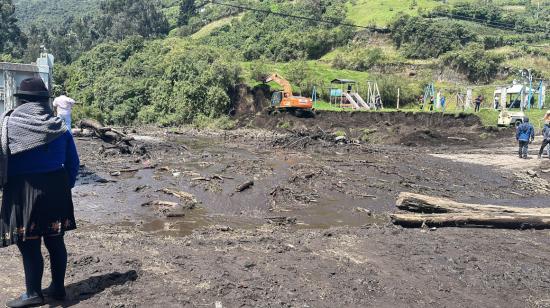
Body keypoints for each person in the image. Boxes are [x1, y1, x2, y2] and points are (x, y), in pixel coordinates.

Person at [0, 78, 80, 307]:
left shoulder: (9, 125)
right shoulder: (59, 127)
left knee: (29, 243)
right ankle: (58, 289)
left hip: (22, 191)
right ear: (44, 102)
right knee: (56, 241)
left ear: (22, 101)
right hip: (57, 190)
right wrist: (65, 187)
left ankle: (33, 293)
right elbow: (73, 163)